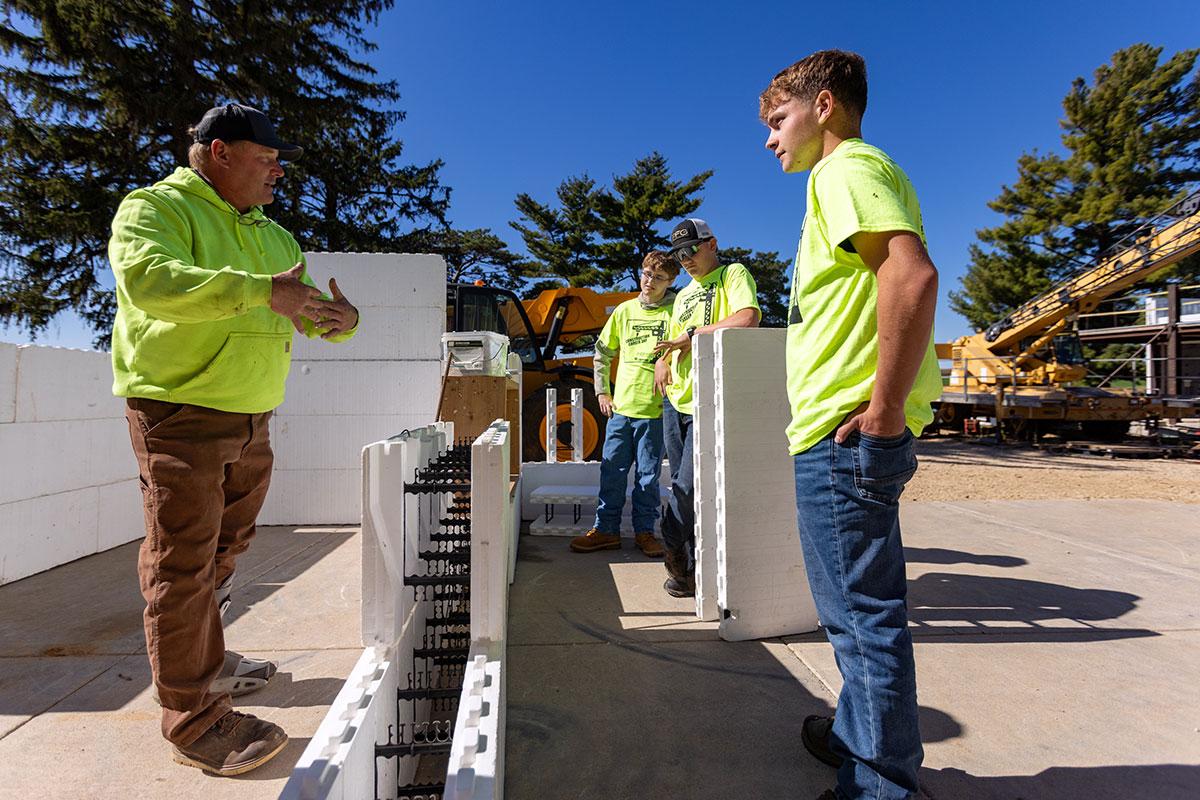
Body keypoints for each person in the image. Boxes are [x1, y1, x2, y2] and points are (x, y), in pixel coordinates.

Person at [109, 103, 360, 776]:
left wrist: (341, 319)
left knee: (224, 550)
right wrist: (260, 292)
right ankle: (193, 719)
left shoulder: (274, 237)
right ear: (220, 153)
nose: (279, 171)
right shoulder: (154, 209)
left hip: (252, 418)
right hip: (178, 413)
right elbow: (151, 283)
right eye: (266, 159)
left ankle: (206, 657)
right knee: (182, 562)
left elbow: (300, 312)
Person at [760, 50, 942, 800]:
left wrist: (882, 411)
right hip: (842, 432)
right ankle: (852, 732)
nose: (770, 139)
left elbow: (910, 274)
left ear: (823, 106)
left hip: (845, 436)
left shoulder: (843, 172)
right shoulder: (855, 175)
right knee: (856, 612)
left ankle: (879, 786)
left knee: (861, 623)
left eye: (778, 120)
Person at [652, 219, 760, 598]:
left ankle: (669, 547)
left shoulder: (732, 274)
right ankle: (687, 570)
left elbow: (748, 318)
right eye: (678, 255)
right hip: (676, 401)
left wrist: (693, 335)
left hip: (709, 400)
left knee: (688, 486)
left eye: (691, 251)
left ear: (711, 243)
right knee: (687, 488)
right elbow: (671, 340)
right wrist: (661, 361)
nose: (685, 260)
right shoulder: (682, 296)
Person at [570, 251, 678, 558]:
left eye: (658, 278)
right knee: (612, 472)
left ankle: (645, 532)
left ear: (670, 282)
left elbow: (686, 348)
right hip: (620, 411)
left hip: (655, 412)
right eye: (646, 274)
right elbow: (602, 353)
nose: (649, 281)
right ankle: (605, 531)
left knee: (648, 478)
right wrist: (602, 392)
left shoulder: (676, 311)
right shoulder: (624, 311)